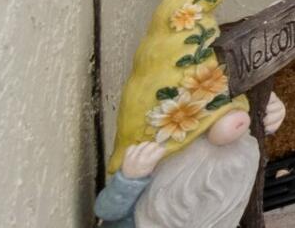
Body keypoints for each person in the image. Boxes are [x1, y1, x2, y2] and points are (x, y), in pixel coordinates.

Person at [92, 94, 283, 228]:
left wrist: (129, 179)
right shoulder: (150, 201)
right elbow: (106, 210)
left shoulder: (213, 211)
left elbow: (106, 210)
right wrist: (129, 180)